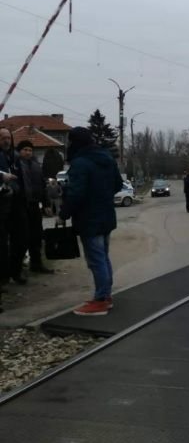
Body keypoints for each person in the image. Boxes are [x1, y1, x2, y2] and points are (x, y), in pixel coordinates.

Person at [57, 127, 124, 316]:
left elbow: (75, 193)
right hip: (106, 215)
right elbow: (118, 184)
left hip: (89, 219)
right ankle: (105, 295)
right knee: (103, 257)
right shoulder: (107, 158)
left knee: (96, 260)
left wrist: (63, 214)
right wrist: (102, 196)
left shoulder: (80, 163)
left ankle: (101, 300)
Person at [17, 140, 53, 274]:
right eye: (25, 149)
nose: (28, 152)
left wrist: (46, 204)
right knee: (22, 237)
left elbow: (42, 187)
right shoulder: (16, 165)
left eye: (30, 150)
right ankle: (17, 268)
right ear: (19, 151)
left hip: (34, 205)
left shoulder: (36, 166)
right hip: (21, 206)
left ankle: (36, 264)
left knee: (37, 236)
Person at [0, 127, 27, 286]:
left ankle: (15, 271)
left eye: (8, 137)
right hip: (2, 202)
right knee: (2, 244)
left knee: (22, 238)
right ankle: (3, 277)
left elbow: (23, 179)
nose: (6, 140)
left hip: (17, 202)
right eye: (2, 137)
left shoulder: (16, 157)